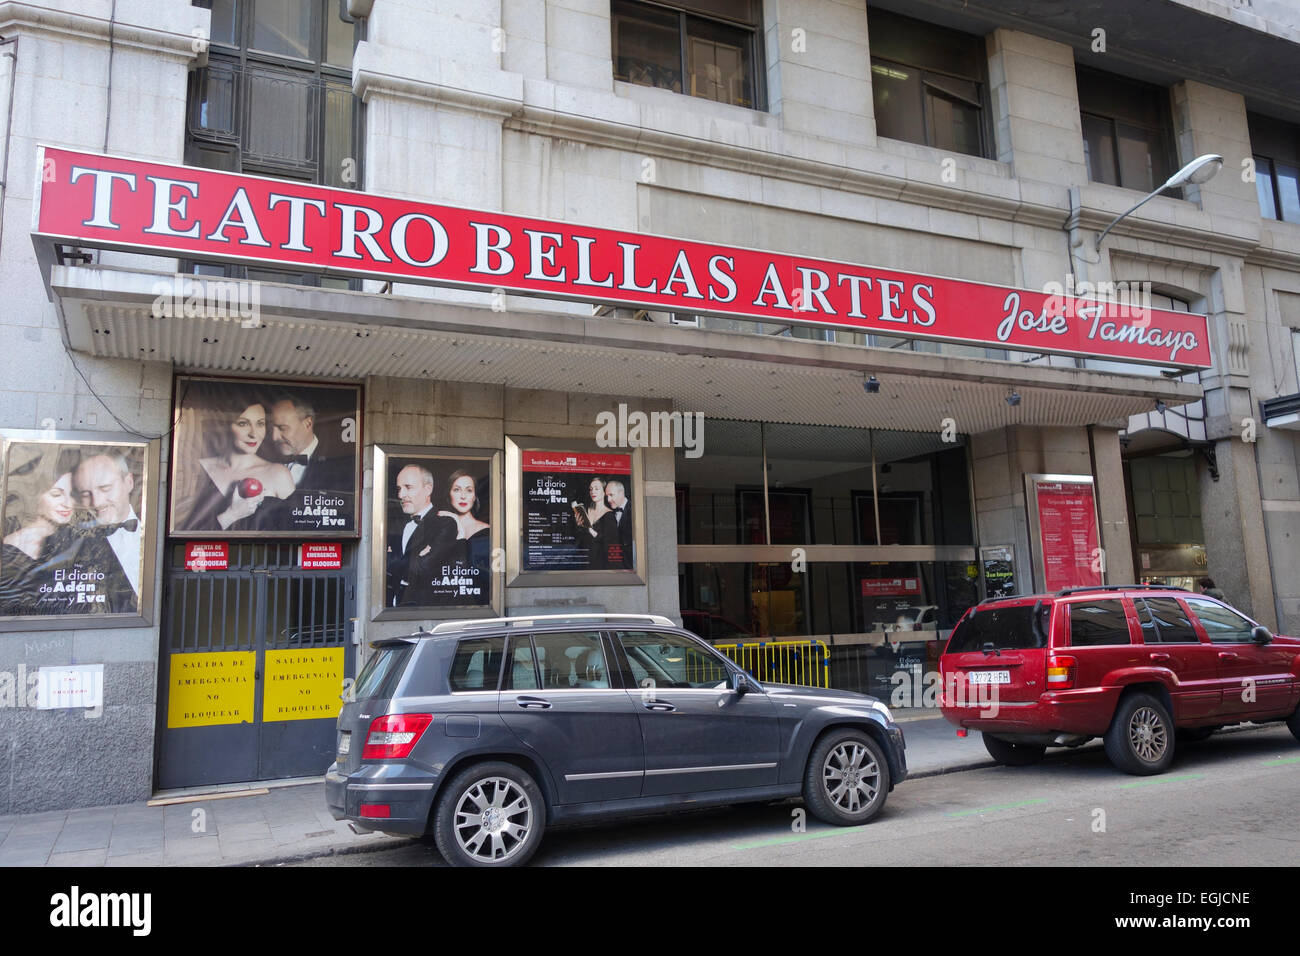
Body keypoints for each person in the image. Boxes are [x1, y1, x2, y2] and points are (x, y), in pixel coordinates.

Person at [181, 399, 295, 531]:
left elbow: (295, 531)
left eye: (260, 424)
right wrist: (231, 515)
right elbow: (185, 530)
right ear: (226, 425)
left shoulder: (278, 474)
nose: (254, 434)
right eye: (243, 423)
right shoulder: (200, 469)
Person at [0, 451, 83, 615]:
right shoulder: (12, 550)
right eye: (56, 494)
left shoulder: (70, 538)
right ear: (36, 496)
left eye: (72, 494)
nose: (68, 503)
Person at [72, 452, 143, 613]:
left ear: (129, 482)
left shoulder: (155, 530)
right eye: (85, 494)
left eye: (105, 488)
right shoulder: (75, 544)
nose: (96, 502)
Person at [387, 464, 455, 607]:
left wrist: (391, 560)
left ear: (427, 489)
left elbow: (423, 569)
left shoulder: (444, 523)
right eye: (399, 489)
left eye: (408, 487)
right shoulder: (398, 525)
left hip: (423, 606)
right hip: (393, 606)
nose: (401, 495)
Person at [270, 394, 351, 492]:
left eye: (282, 428)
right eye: (271, 428)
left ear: (307, 423)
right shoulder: (264, 460)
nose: (274, 437)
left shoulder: (339, 465)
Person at [595, 478, 634, 569]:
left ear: (621, 493)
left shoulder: (635, 511)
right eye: (607, 496)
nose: (608, 499)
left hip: (629, 567)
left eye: (611, 495)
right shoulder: (607, 511)